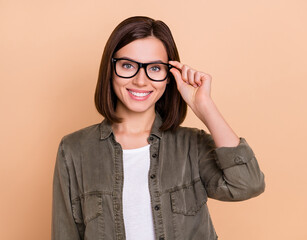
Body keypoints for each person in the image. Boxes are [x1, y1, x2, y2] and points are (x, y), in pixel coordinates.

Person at [51, 16, 265, 240]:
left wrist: (205, 106)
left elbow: (248, 184)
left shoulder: (191, 145)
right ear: (110, 69)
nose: (141, 81)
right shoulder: (74, 150)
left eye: (154, 68)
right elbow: (64, 233)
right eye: (127, 65)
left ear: (169, 77)